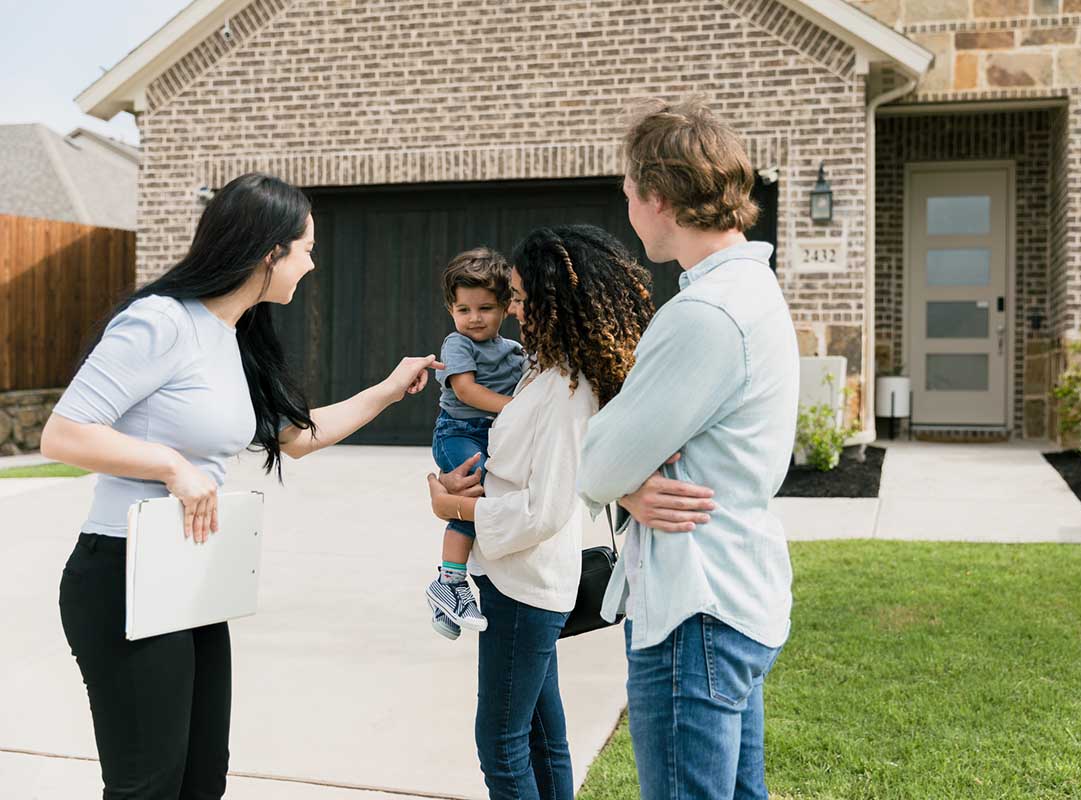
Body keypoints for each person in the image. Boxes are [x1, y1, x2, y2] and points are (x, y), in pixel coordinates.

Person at [42, 173, 441, 800]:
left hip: (190, 576)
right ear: (268, 252)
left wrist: (389, 390)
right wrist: (172, 466)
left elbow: (296, 438)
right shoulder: (161, 322)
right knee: (148, 786)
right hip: (122, 573)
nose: (312, 262)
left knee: (202, 780)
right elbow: (62, 435)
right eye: (305, 248)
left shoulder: (234, 336)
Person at [576, 98, 801, 800]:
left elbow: (598, 463)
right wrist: (630, 482)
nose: (628, 212)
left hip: (694, 610)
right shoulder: (751, 288)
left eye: (629, 196)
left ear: (660, 198)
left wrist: (621, 477)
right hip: (733, 594)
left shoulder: (705, 313)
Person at [425, 224, 655, 800]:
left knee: (501, 744)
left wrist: (452, 507)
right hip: (524, 579)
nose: (515, 310)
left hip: (523, 584)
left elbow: (546, 510)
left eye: (522, 299)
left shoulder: (562, 388)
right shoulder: (546, 369)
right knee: (542, 737)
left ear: (556, 302)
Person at [426, 248, 525, 639]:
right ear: (452, 310)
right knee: (474, 496)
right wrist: (515, 409)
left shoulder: (513, 352)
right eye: (464, 309)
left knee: (486, 497)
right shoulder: (457, 344)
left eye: (485, 308)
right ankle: (449, 583)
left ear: (505, 307)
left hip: (490, 435)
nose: (474, 318)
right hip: (458, 433)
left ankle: (445, 611)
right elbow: (465, 391)